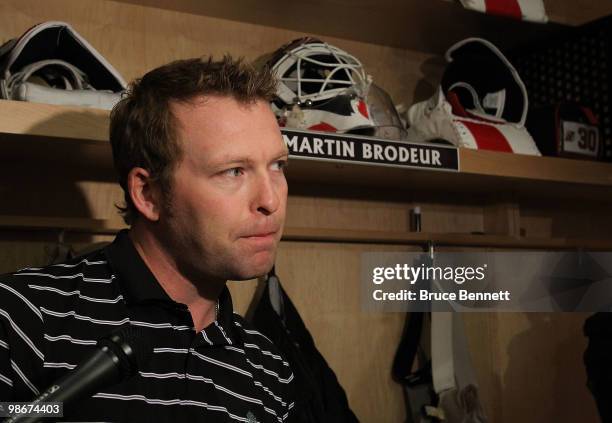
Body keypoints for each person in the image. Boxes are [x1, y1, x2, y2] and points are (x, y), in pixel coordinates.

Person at [0, 56, 295, 422]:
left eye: (278, 166)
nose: (270, 201)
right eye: (233, 171)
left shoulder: (268, 368)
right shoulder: (22, 318)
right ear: (148, 193)